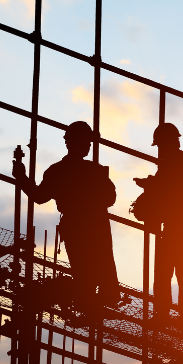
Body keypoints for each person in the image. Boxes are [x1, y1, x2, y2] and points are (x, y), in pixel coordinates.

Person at [12, 121, 120, 308]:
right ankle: (99, 302)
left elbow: (39, 196)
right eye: (86, 142)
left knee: (85, 268)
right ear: (74, 143)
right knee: (101, 266)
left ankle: (89, 303)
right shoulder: (94, 170)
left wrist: (22, 178)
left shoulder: (57, 171)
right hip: (95, 224)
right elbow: (110, 198)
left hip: (77, 225)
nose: (88, 146)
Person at [134, 123, 183, 327]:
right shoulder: (169, 167)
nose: (160, 151)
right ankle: (164, 315)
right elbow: (164, 189)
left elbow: (177, 185)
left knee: (182, 275)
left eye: (161, 146)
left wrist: (151, 184)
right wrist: (150, 185)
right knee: (165, 274)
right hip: (174, 228)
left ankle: (182, 318)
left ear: (172, 143)